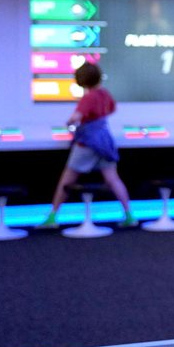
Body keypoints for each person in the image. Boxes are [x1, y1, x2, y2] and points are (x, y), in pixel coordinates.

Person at [37, 62, 136, 229]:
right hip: (105, 142)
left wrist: (70, 124)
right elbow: (112, 109)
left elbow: (75, 117)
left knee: (66, 180)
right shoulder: (104, 94)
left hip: (87, 144)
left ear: (80, 80)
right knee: (113, 179)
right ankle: (129, 215)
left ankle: (53, 216)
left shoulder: (88, 97)